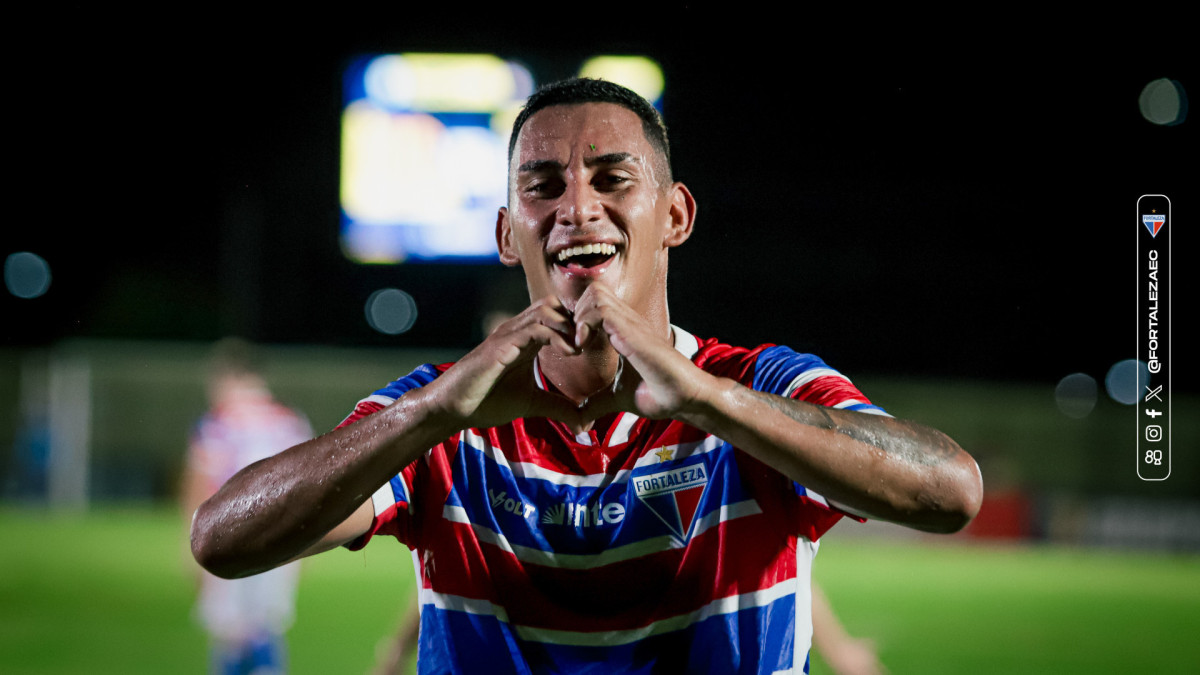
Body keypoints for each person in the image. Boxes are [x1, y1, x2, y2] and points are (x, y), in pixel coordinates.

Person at [191, 78, 983, 674]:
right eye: (542, 186)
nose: (577, 207)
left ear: (675, 215)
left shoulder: (757, 385)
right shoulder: (446, 408)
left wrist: (704, 397)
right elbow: (222, 538)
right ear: (509, 233)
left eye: (612, 179)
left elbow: (950, 490)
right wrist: (430, 413)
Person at [182, 338, 313, 675]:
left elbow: (199, 486)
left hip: (225, 538)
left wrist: (189, 549)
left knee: (230, 635)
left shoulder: (218, 422)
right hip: (280, 541)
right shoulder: (290, 421)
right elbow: (310, 489)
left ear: (228, 377)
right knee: (265, 628)